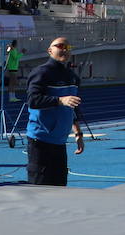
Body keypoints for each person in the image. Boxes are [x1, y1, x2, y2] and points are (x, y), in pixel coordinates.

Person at [24, 37, 85, 186]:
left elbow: (74, 107)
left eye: (68, 47)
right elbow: (33, 100)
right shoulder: (41, 72)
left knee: (59, 188)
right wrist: (60, 100)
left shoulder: (72, 76)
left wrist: (78, 133)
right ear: (50, 50)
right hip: (40, 140)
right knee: (40, 186)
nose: (64, 49)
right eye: (60, 46)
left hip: (60, 141)